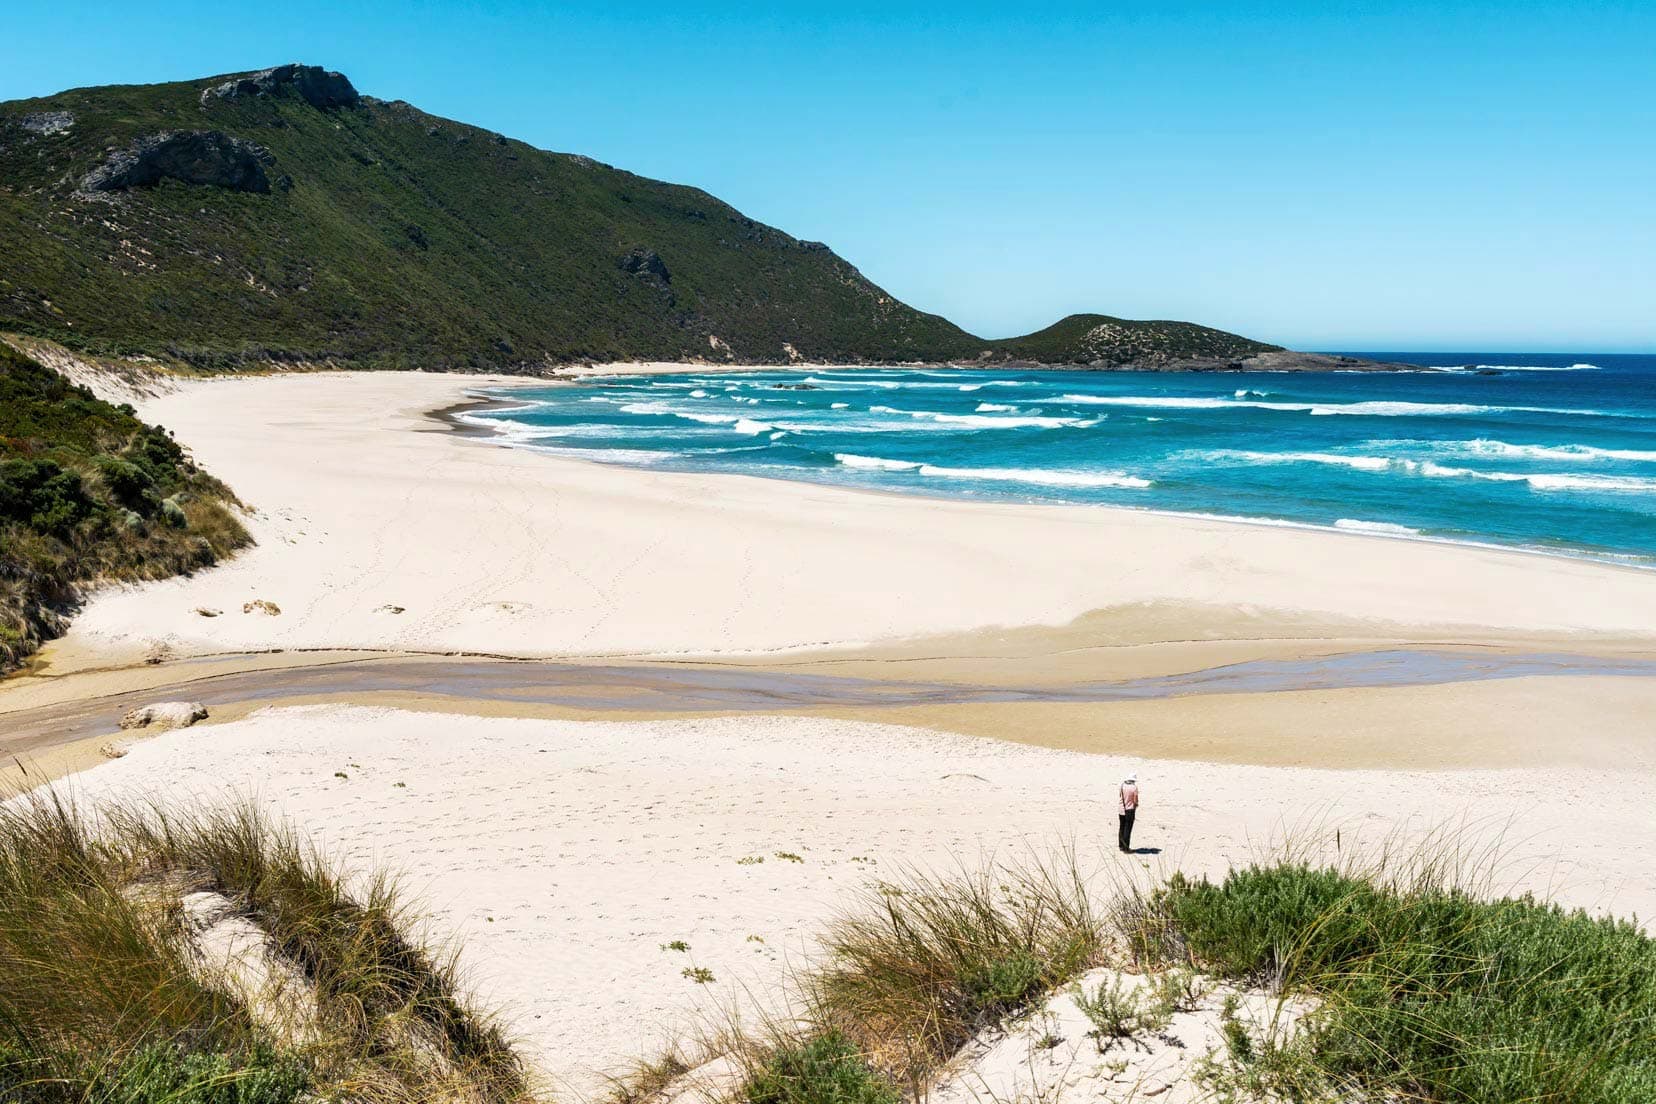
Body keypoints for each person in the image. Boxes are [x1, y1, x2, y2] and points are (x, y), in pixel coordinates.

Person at [1118, 774, 1139, 852]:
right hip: (1129, 809)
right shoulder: (1134, 788)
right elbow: (1135, 800)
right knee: (1128, 829)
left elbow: (1120, 795)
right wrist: (1136, 805)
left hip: (1121, 809)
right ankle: (1126, 848)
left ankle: (1121, 846)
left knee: (1122, 827)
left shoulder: (1122, 785)